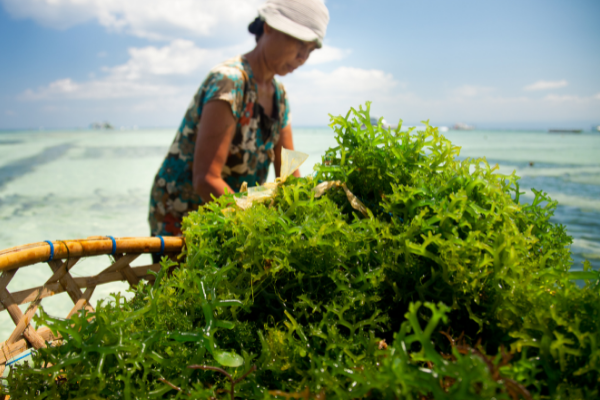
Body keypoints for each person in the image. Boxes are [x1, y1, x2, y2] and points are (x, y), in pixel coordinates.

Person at [148, 0, 330, 260]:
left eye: (311, 50)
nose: (303, 57)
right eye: (300, 43)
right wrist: (260, 226)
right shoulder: (230, 82)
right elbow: (205, 179)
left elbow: (289, 177)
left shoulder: (279, 96)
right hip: (183, 215)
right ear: (268, 27)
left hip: (233, 216)